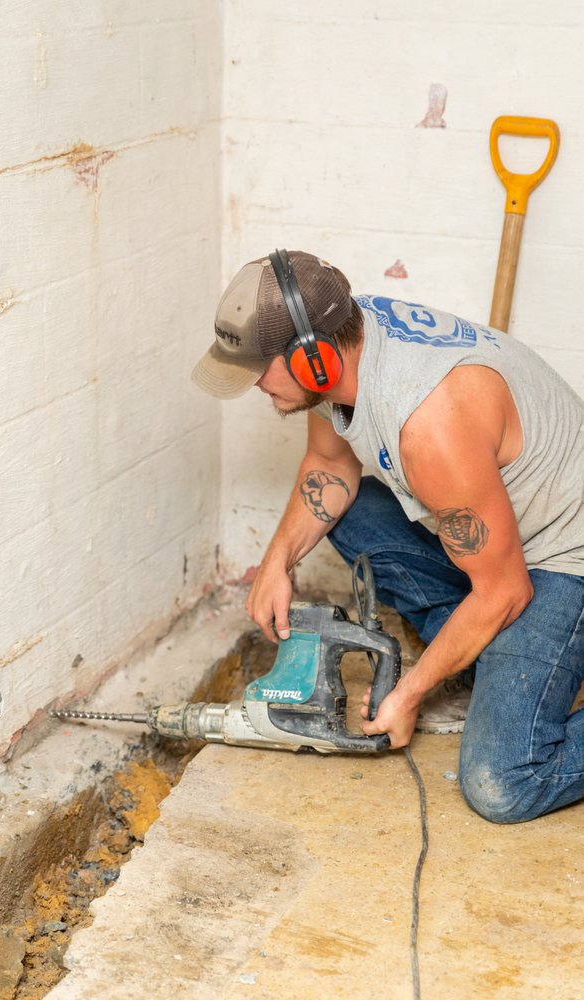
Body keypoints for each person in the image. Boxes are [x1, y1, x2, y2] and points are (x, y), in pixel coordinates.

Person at [191, 249, 584, 824]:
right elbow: (330, 467)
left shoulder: (430, 424)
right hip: (497, 537)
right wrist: (276, 561)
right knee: (343, 510)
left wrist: (411, 694)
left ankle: (504, 662)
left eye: (258, 370)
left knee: (502, 780)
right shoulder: (343, 346)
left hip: (560, 559)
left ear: (312, 360)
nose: (254, 386)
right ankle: (483, 660)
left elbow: (506, 591)